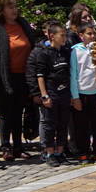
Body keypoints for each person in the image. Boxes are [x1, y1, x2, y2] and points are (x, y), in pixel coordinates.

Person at [0, 0, 39, 166]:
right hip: (4, 77)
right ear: (1, 9)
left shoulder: (22, 24)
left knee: (19, 111)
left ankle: (18, 147)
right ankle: (6, 147)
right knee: (6, 113)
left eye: (15, 6)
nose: (14, 10)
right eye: (10, 7)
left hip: (23, 76)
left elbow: (32, 46)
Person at [30, 22, 73, 166]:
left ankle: (60, 152)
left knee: (63, 123)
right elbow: (40, 75)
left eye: (65, 35)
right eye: (62, 35)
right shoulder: (44, 53)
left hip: (64, 92)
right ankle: (49, 152)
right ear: (52, 36)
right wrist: (44, 95)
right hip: (51, 91)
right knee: (49, 124)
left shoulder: (66, 51)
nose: (64, 38)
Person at [69, 21, 96, 162]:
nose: (92, 36)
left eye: (94, 34)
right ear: (81, 36)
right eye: (89, 34)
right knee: (81, 127)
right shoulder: (75, 50)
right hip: (81, 93)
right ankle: (83, 152)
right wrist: (75, 97)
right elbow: (73, 75)